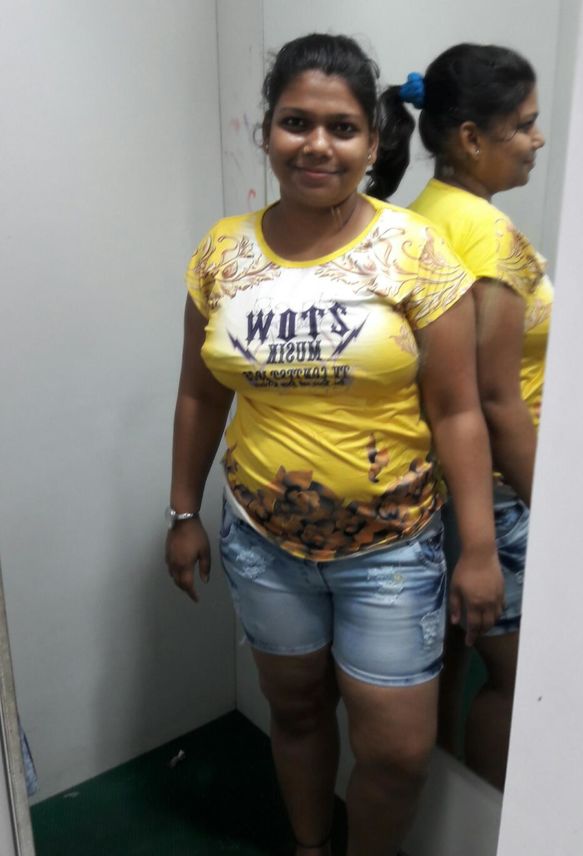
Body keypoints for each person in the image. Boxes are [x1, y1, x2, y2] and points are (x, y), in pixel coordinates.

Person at [165, 34, 503, 856]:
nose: (317, 144)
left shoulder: (415, 251)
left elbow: (459, 411)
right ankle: (312, 847)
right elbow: (200, 393)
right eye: (296, 122)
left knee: (397, 753)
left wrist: (479, 547)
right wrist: (182, 511)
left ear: (373, 141)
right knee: (297, 711)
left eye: (341, 128)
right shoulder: (221, 253)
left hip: (393, 548)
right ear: (268, 133)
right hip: (262, 540)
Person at [382, 44, 554, 789]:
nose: (538, 140)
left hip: (443, 486)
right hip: (499, 492)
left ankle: (442, 822)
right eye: (525, 125)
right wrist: (556, 512)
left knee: (450, 662)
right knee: (514, 680)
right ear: (471, 138)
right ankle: (490, 823)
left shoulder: (417, 215)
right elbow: (494, 400)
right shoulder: (491, 237)